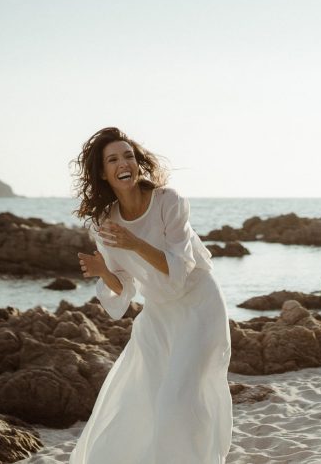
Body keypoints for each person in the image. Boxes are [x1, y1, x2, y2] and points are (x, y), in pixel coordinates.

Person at [68, 127, 233, 463]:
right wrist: (104, 273)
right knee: (138, 401)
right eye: (112, 159)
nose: (123, 162)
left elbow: (178, 273)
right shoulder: (105, 221)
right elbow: (124, 289)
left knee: (179, 400)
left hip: (198, 305)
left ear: (137, 161)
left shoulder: (169, 202)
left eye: (128, 155)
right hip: (159, 313)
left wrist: (134, 243)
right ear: (103, 173)